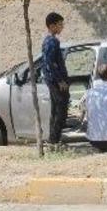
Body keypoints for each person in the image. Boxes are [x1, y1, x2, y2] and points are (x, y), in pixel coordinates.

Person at [42, 12, 69, 150]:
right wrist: (60, 81)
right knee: (60, 111)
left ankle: (53, 139)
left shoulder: (50, 40)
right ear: (52, 26)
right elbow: (49, 63)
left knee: (55, 110)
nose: (62, 27)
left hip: (53, 80)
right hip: (55, 81)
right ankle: (54, 141)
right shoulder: (52, 41)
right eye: (60, 24)